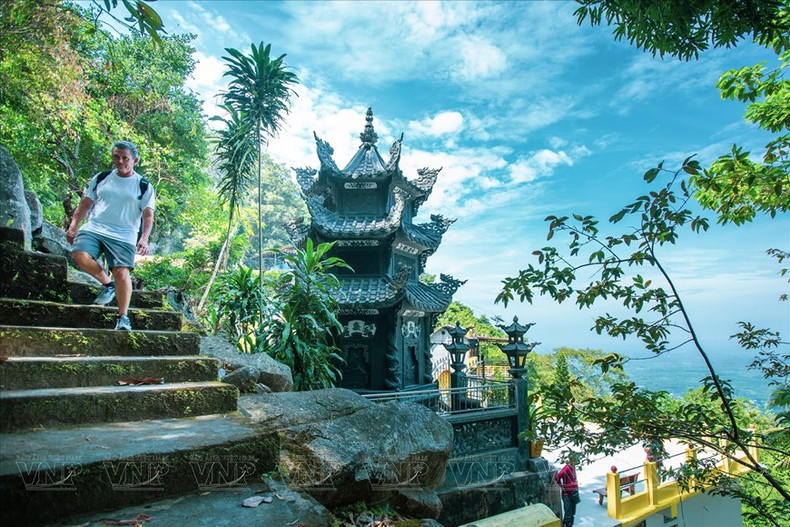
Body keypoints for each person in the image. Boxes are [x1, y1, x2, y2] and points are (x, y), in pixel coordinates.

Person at [66, 141, 155, 331]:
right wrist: (74, 226)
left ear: (135, 160)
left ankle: (123, 317)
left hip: (124, 235)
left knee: (122, 272)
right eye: (116, 156)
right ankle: (108, 285)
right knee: (80, 255)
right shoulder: (101, 178)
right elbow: (85, 204)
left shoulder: (143, 185)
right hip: (96, 227)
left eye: (125, 158)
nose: (120, 161)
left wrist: (144, 238)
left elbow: (148, 214)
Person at [555, 453, 580, 527]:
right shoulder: (566, 469)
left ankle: (570, 525)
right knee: (568, 514)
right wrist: (561, 486)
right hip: (567, 495)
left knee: (572, 513)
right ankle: (566, 525)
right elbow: (557, 477)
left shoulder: (573, 467)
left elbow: (574, 477)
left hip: (574, 493)